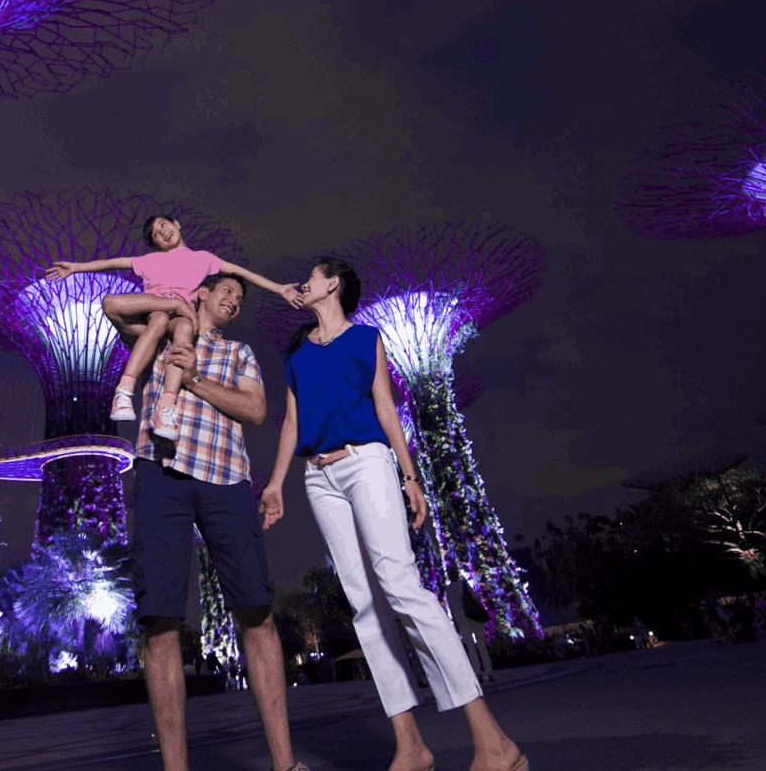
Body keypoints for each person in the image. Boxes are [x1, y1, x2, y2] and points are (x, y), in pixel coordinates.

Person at [260, 259, 529, 771]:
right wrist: (275, 482)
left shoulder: (367, 339)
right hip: (318, 477)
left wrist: (410, 476)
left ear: (332, 284)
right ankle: (411, 747)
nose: (305, 282)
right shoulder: (296, 351)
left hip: (367, 463)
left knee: (402, 588)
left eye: (313, 275)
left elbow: (385, 407)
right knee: (364, 606)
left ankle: (493, 743)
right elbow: (291, 421)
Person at [129, 271, 305, 771]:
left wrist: (194, 378)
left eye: (241, 298)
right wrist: (167, 298)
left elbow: (256, 409)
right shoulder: (159, 333)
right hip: (161, 472)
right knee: (160, 621)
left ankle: (285, 765)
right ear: (202, 292)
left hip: (226, 479)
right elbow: (111, 307)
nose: (234, 300)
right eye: (227, 290)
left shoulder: (238, 353)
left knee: (257, 612)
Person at [47, 213, 299, 440]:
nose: (162, 232)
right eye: (156, 234)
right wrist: (76, 267)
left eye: (163, 225)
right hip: (156, 307)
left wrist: (279, 288)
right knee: (140, 312)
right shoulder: (150, 260)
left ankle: (166, 408)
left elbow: (240, 272)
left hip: (180, 316)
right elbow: (114, 263)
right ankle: (124, 391)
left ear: (176, 224)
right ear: (156, 244)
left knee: (184, 331)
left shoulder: (203, 259)